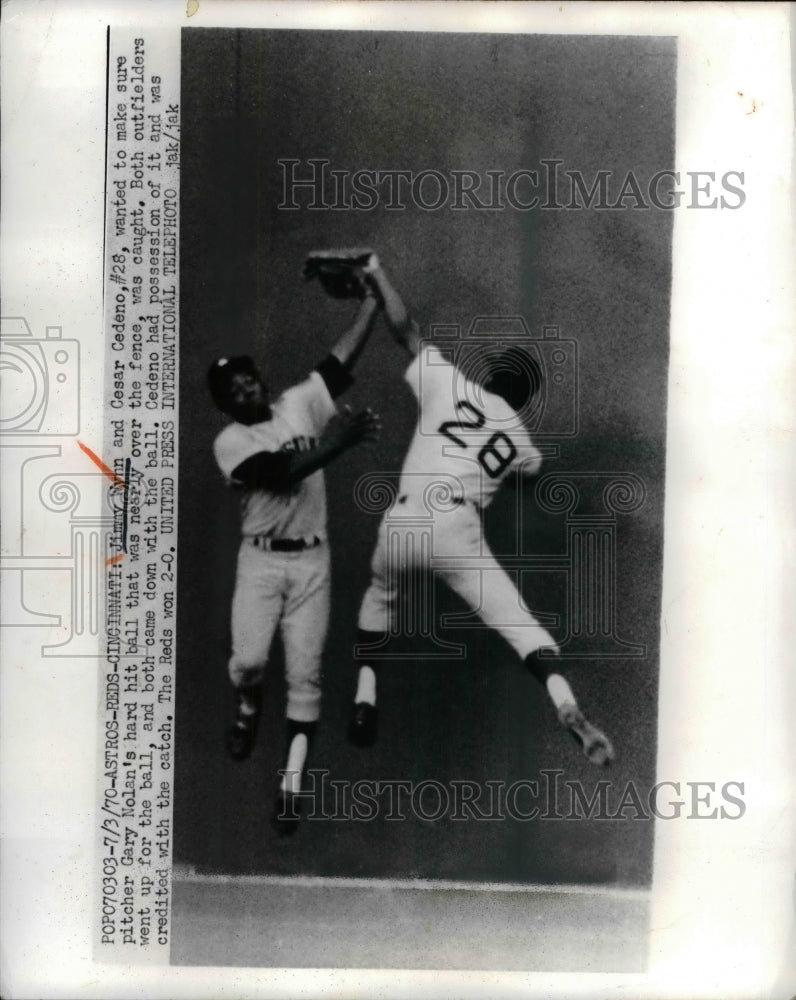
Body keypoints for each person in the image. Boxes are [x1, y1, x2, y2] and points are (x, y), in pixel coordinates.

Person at [347, 256, 614, 767]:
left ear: (492, 375)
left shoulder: (452, 384)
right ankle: (568, 706)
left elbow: (405, 329)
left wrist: (379, 272)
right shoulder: (520, 437)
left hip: (404, 520)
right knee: (520, 625)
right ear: (527, 397)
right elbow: (530, 475)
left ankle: (365, 695)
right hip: (456, 529)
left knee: (378, 600)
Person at [209, 284, 381, 835]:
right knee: (251, 661)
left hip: (311, 562)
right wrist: (341, 443)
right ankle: (248, 700)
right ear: (226, 404)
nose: (245, 386)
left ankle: (291, 784)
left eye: (247, 376)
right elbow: (282, 474)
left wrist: (372, 303)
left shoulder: (296, 404)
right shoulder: (231, 442)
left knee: (307, 677)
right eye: (233, 387)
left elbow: (340, 359)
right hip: (260, 564)